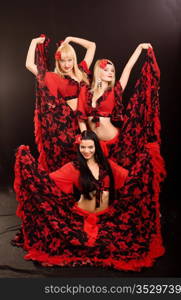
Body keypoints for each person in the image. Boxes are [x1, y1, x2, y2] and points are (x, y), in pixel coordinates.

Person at [12, 130, 165, 271]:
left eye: (90, 147)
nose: (86, 151)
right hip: (80, 215)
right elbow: (47, 183)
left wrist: (152, 204)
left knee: (123, 243)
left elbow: (131, 181)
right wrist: (28, 165)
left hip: (107, 216)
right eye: (83, 148)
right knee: (70, 243)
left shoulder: (108, 166)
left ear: (96, 147)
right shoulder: (73, 167)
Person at [26, 35, 96, 172]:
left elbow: (92, 45)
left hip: (88, 119)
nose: (67, 64)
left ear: (74, 59)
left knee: (91, 158)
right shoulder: (54, 77)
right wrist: (33, 42)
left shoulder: (81, 71)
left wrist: (71, 39)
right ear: (58, 62)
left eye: (69, 60)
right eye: (63, 61)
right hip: (68, 125)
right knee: (72, 161)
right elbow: (29, 64)